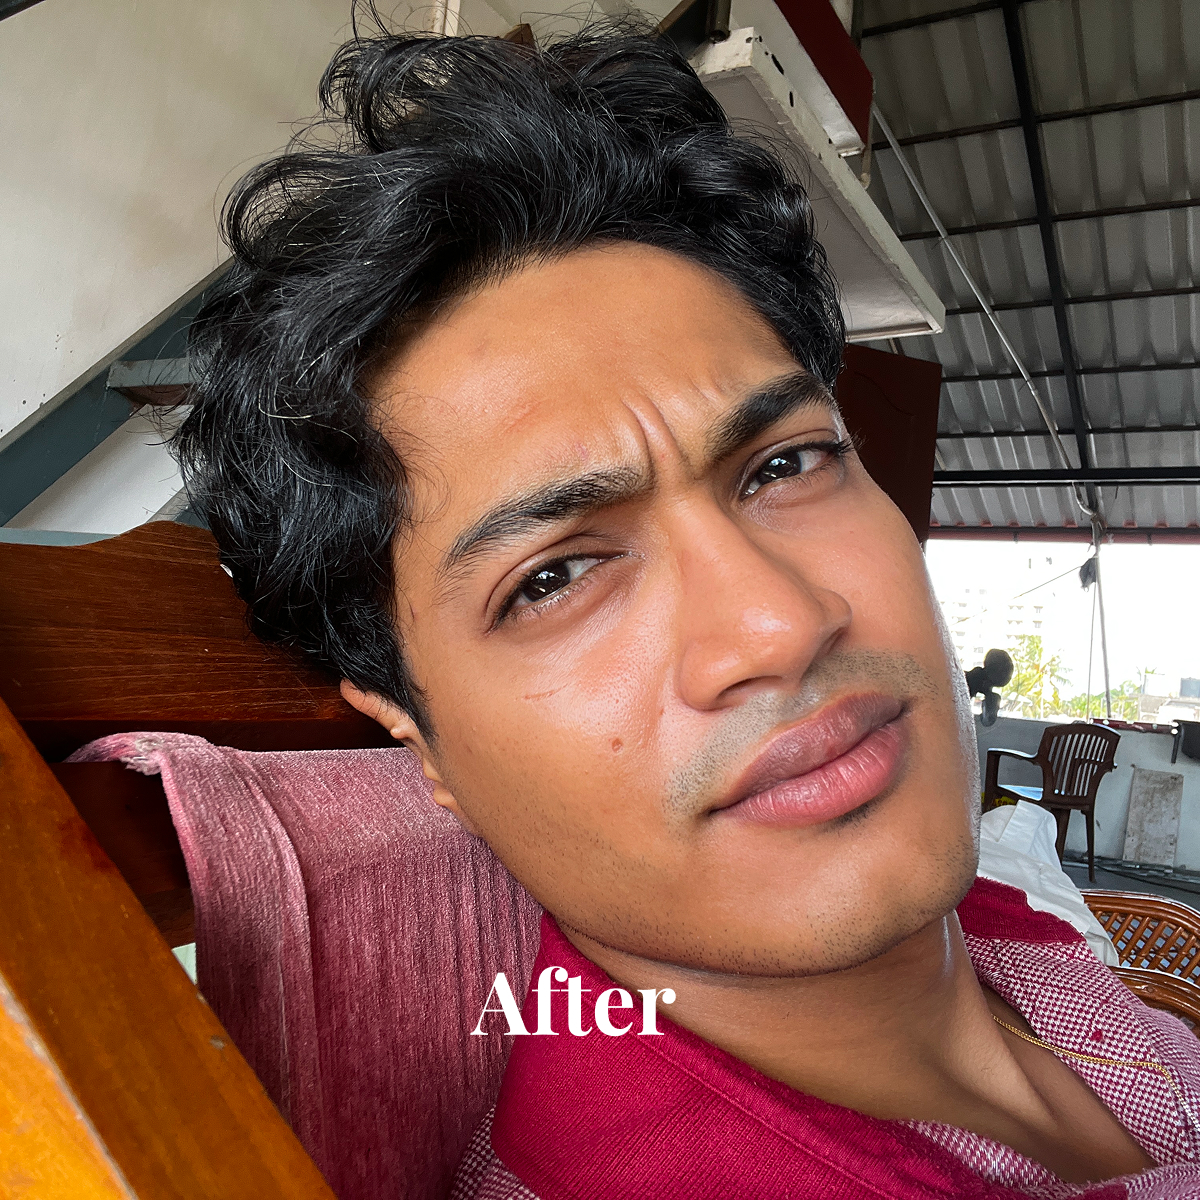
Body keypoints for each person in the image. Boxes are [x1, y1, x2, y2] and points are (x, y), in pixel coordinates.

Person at [176, 20, 1200, 1198]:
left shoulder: (1028, 941)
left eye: (784, 465)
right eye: (553, 576)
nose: (779, 623)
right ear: (419, 737)